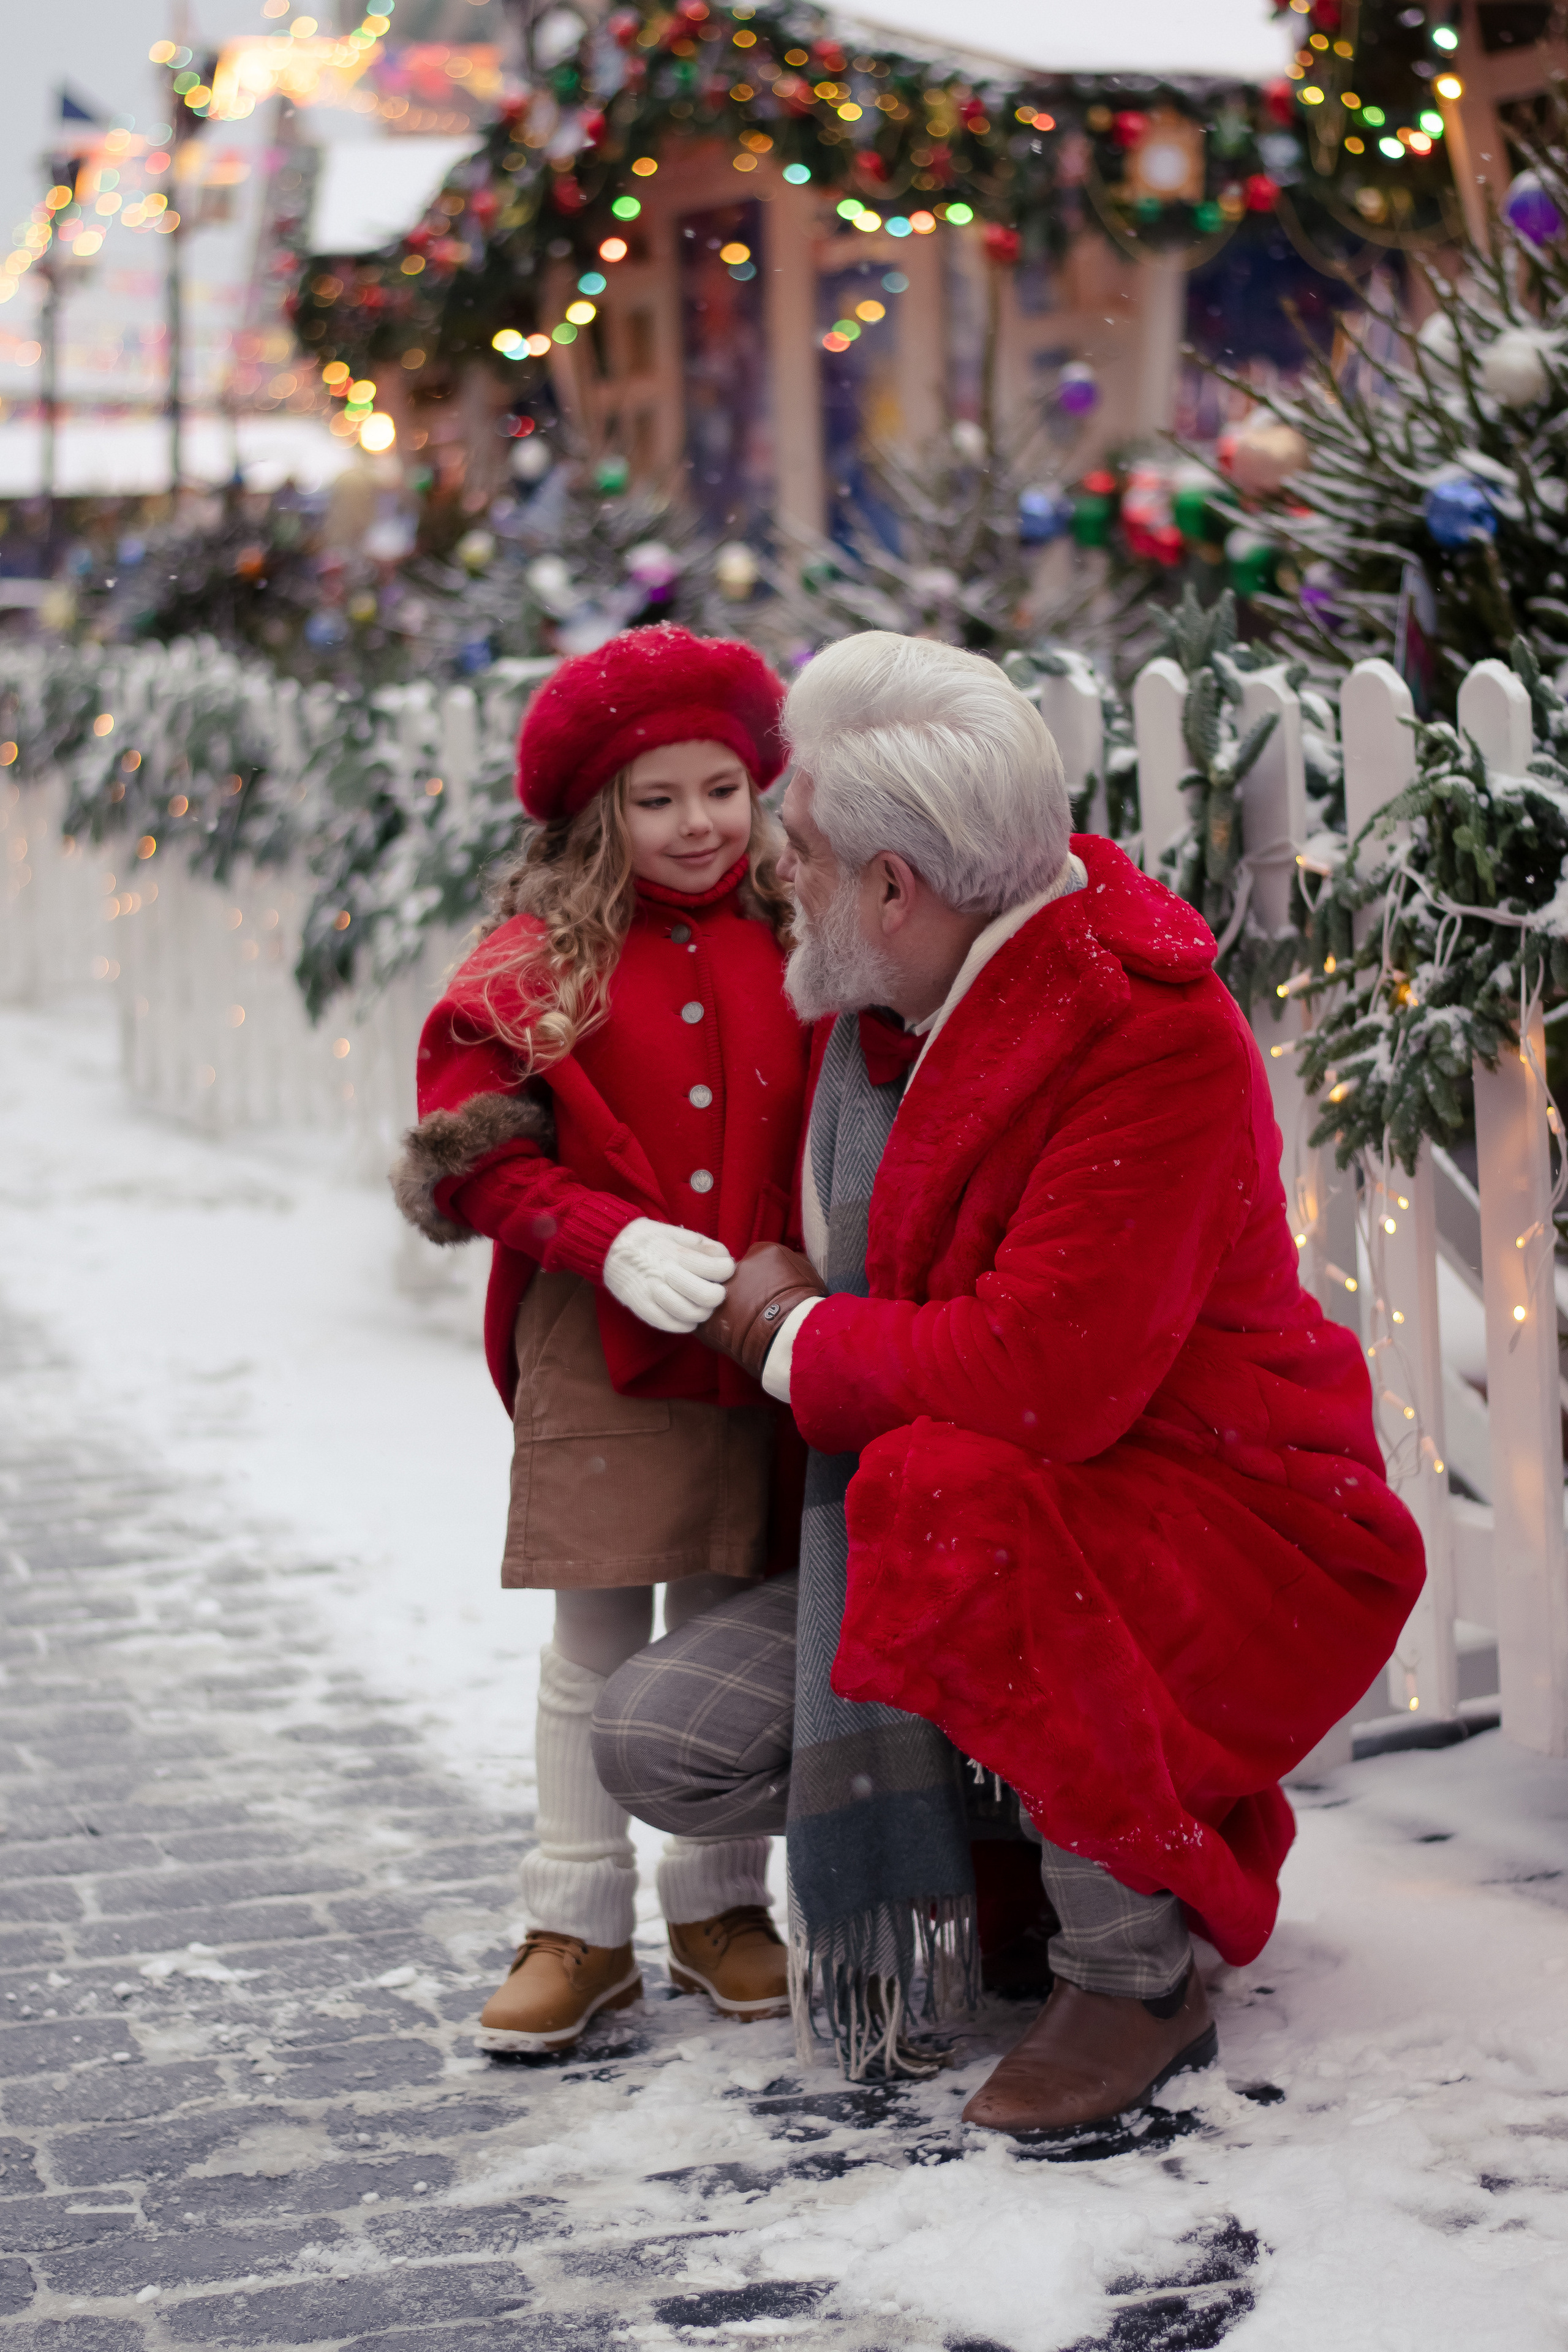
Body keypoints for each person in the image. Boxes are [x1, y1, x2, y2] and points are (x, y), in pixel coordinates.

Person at [590, 629, 1425, 2128]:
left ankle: (1131, 1969)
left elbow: (1046, 1378)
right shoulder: (878, 1006)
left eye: (798, 849)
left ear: (894, 886)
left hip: (1237, 1531)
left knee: (949, 1479)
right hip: (1018, 1521)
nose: (775, 873)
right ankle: (1021, 1836)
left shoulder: (1139, 1029)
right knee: (668, 1737)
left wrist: (787, 1334)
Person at [392, 625, 810, 2054]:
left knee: (719, 1614)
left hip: (759, 1344)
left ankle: (716, 1907)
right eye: (656, 799)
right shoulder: (536, 964)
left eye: (721, 790)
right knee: (594, 1634)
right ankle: (573, 1924)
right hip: (605, 1342)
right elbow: (471, 1159)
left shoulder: (803, 936)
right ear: (597, 813)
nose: (696, 826)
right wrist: (605, 1237)